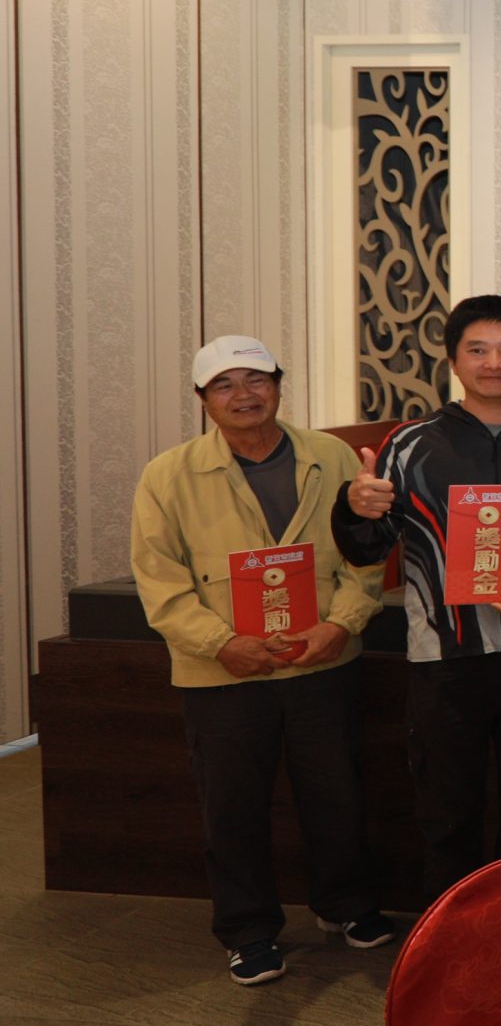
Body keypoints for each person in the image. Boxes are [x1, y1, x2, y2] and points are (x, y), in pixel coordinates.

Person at [129, 336, 391, 985]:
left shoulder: (331, 456)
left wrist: (342, 623)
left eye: (256, 379)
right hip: (222, 673)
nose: (243, 395)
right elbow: (160, 581)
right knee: (232, 806)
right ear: (202, 400)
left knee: (337, 792)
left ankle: (346, 904)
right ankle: (247, 931)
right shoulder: (167, 476)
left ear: (278, 384)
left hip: (323, 657)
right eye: (225, 384)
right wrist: (221, 643)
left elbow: (367, 553)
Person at [334, 296, 501, 900]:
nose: (493, 363)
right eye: (477, 350)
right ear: (453, 360)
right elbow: (368, 550)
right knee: (447, 812)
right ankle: (452, 937)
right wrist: (355, 508)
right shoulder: (410, 443)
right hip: (444, 659)